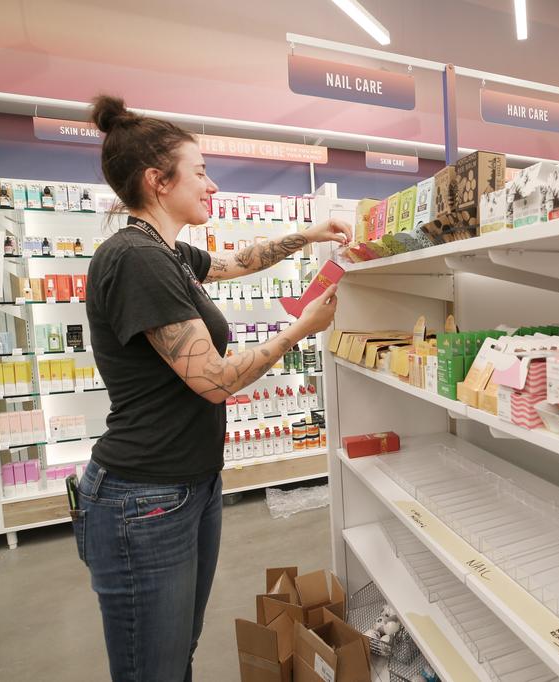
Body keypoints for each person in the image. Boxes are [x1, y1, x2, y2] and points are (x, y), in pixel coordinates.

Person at [73, 95, 352, 682]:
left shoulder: (165, 252)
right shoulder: (134, 258)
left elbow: (236, 263)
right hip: (144, 500)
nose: (213, 185)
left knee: (175, 657)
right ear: (157, 180)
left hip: (187, 485)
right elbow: (215, 381)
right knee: (155, 667)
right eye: (199, 172)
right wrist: (301, 330)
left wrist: (310, 234)